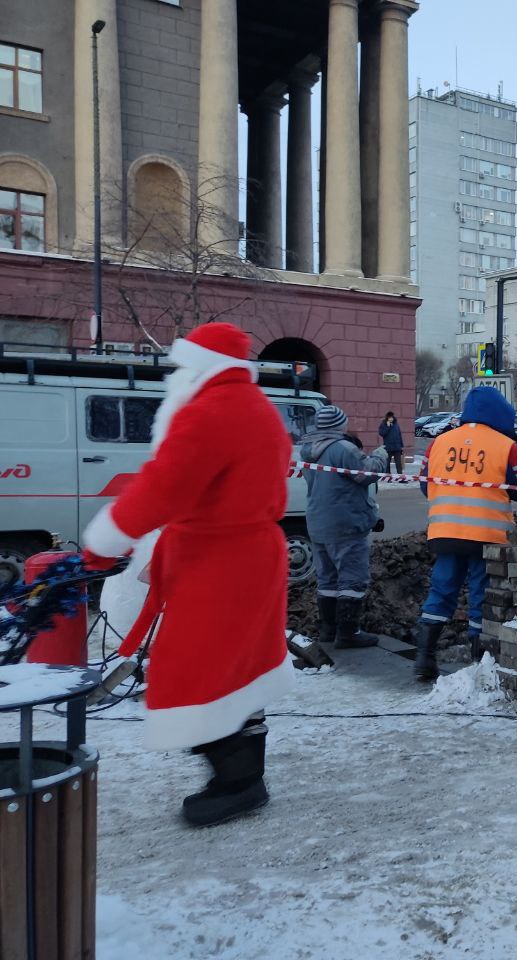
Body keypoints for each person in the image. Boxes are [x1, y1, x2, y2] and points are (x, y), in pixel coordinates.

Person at [80, 322, 294, 827]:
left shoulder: (210, 411)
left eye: (181, 365)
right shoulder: (256, 408)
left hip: (218, 564)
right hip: (245, 556)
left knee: (195, 669)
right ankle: (237, 772)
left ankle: (237, 781)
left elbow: (164, 485)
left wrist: (103, 540)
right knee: (237, 665)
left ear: (199, 366)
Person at [414, 386, 517, 682]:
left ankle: (423, 659)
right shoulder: (505, 446)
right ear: (501, 415)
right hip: (486, 535)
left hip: (444, 532)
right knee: (480, 596)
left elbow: (424, 485)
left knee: (441, 591)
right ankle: (477, 662)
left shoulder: (439, 443)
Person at [299, 405, 389, 649]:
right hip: (346, 523)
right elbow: (367, 474)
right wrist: (381, 455)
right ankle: (349, 634)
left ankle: (329, 631)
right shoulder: (342, 448)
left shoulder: (308, 449)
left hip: (318, 523)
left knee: (327, 578)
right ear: (339, 425)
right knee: (352, 578)